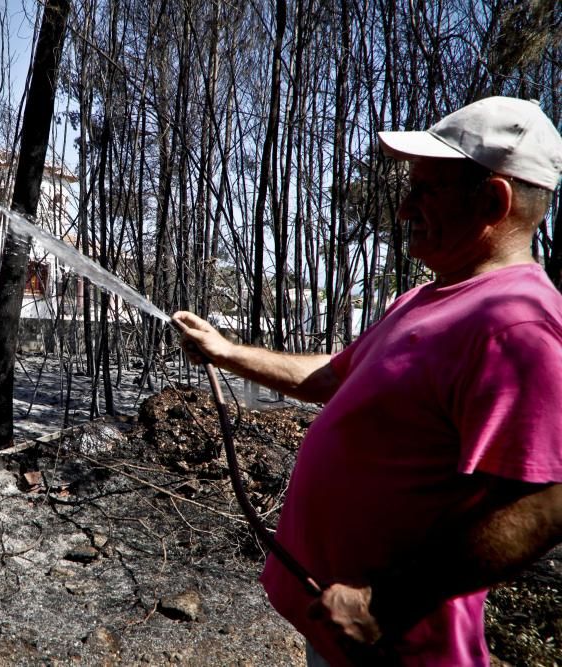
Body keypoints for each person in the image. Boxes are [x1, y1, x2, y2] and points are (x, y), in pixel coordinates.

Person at [173, 96, 562, 666]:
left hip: (396, 645)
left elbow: (549, 501)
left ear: (493, 200)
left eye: (426, 189)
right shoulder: (426, 299)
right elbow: (331, 375)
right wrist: (225, 352)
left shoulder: (516, 324)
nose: (404, 209)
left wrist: (388, 601)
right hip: (342, 628)